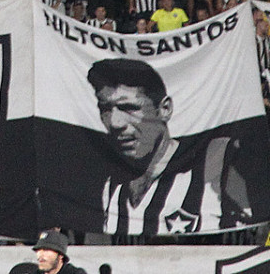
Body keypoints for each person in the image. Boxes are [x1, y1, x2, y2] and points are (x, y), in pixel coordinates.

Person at [91, 57, 255, 235]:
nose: (115, 122)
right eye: (105, 109)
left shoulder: (216, 162)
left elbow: (251, 233)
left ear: (165, 109)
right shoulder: (112, 184)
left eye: (129, 108)